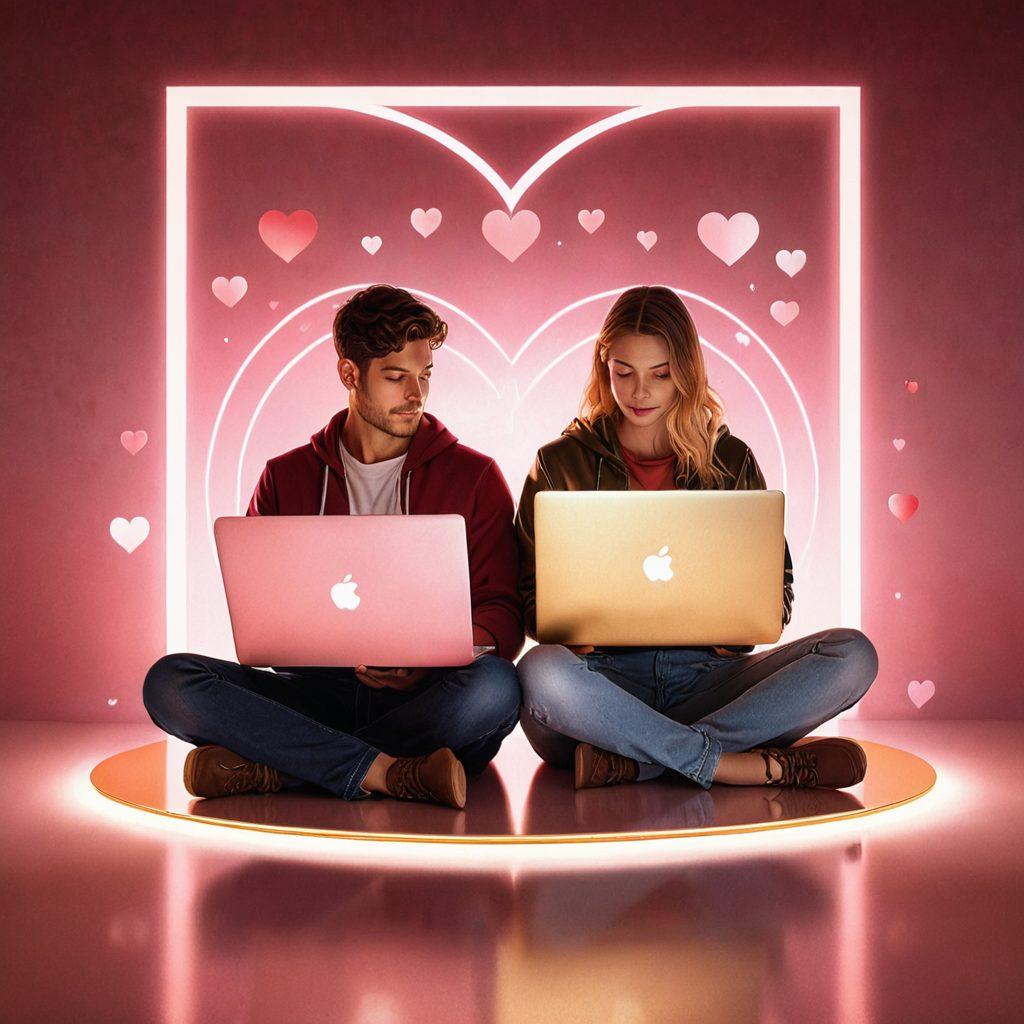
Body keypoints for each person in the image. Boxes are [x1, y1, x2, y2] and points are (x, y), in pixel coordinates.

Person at [143, 285, 524, 809]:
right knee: (170, 683)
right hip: (314, 697)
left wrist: (426, 660)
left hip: (426, 699)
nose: (416, 394)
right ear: (350, 374)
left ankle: (283, 769)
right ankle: (392, 772)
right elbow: (264, 616)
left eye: (425, 375)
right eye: (396, 377)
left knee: (496, 689)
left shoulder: (475, 477)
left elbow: (503, 613)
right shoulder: (284, 477)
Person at [514, 286, 879, 792]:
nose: (640, 392)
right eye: (624, 372)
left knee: (853, 654)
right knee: (540, 673)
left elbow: (778, 596)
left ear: (685, 371)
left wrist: (731, 627)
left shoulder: (731, 461)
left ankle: (641, 761)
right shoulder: (559, 463)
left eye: (660, 374)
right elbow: (527, 596)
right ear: (604, 366)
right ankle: (732, 762)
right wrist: (571, 631)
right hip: (601, 686)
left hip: (709, 681)